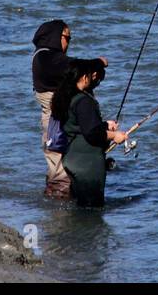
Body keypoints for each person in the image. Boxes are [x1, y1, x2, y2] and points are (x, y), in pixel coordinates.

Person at [31, 20, 109, 199]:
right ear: (54, 37)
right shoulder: (45, 56)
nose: (68, 43)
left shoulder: (48, 57)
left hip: (57, 116)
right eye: (67, 38)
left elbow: (69, 70)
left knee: (60, 156)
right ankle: (60, 204)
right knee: (58, 157)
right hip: (54, 118)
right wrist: (98, 62)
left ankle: (61, 196)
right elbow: (71, 66)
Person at [52, 58, 128, 208]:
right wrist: (115, 136)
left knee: (81, 207)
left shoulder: (67, 97)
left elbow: (77, 125)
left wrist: (105, 125)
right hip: (87, 165)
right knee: (92, 210)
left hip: (72, 159)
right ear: (84, 77)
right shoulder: (83, 101)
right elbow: (92, 134)